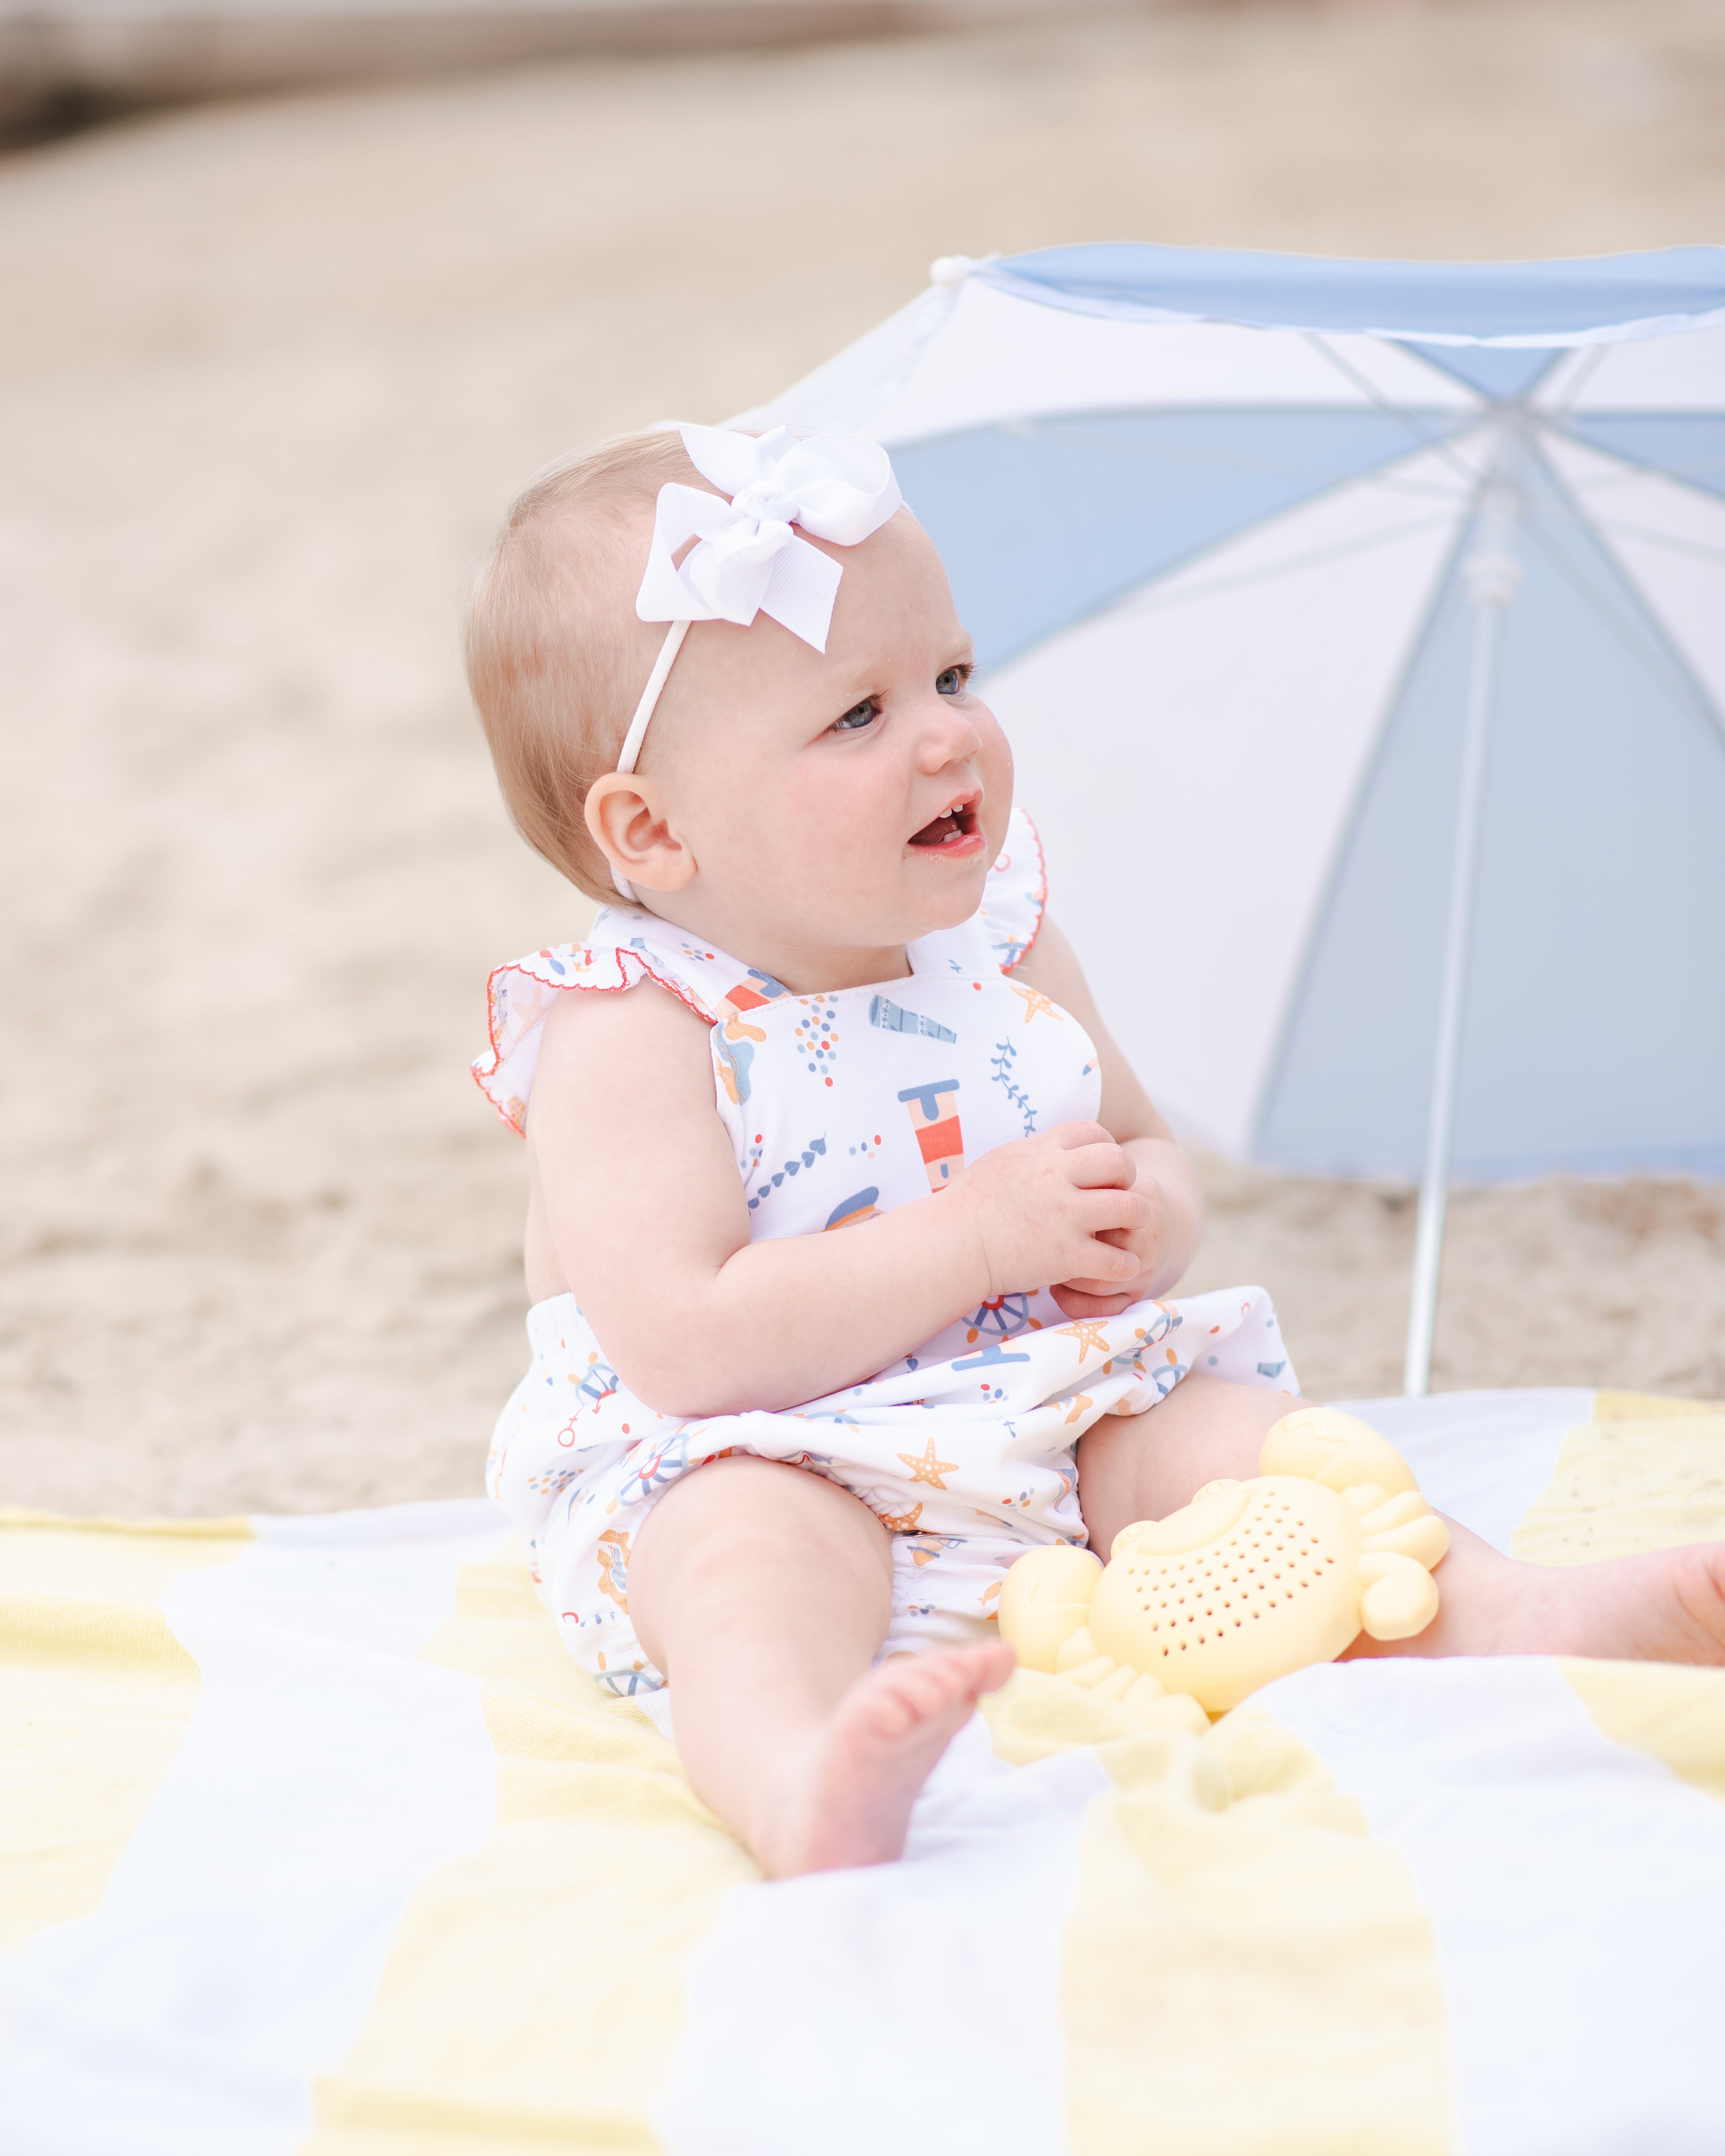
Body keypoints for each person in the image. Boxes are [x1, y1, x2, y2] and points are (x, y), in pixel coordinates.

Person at [465, 424, 1725, 1878]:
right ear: (651, 830)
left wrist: (1145, 1220)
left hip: (1052, 1412)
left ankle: (1514, 1614)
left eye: (950, 675)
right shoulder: (633, 1028)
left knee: (1254, 1459)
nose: (948, 735)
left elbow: (1138, 1142)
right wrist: (972, 1239)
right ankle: (795, 1769)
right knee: (741, 1565)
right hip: (768, 1446)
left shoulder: (998, 940)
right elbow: (688, 1346)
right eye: (857, 714)